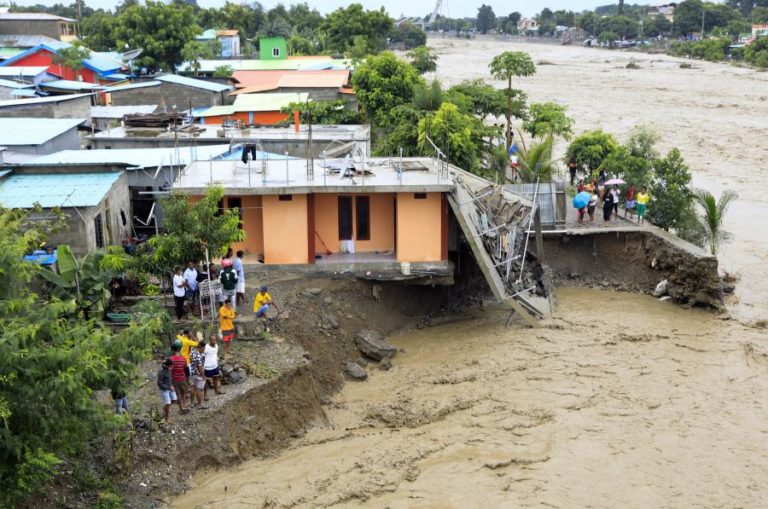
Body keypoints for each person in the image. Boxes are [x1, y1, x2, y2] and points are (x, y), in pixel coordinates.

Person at [168, 344, 190, 414]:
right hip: (182, 379)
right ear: (179, 350)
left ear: (172, 351)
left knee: (178, 394)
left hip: (174, 380)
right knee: (184, 391)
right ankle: (184, 405)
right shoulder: (183, 359)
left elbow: (168, 371)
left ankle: (181, 408)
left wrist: (169, 383)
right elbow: (186, 370)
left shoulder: (170, 359)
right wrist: (188, 380)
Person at [203, 333, 225, 398]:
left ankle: (216, 391)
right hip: (208, 367)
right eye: (212, 340)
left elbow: (215, 355)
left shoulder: (216, 346)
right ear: (209, 340)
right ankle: (205, 395)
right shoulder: (206, 347)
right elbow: (202, 356)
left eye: (215, 340)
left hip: (215, 366)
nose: (214, 341)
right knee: (206, 381)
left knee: (216, 379)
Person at [189, 340, 208, 410]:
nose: (204, 349)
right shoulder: (197, 355)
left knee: (193, 388)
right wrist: (203, 376)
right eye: (204, 348)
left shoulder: (193, 351)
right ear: (201, 347)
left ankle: (192, 403)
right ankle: (200, 404)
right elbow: (199, 367)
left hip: (192, 373)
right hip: (198, 374)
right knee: (199, 389)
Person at [157, 358, 177, 424]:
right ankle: (166, 418)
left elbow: (169, 378)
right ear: (168, 366)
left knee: (174, 399)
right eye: (171, 366)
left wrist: (171, 385)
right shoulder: (161, 372)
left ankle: (165, 407)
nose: (172, 367)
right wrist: (168, 387)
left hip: (170, 387)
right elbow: (159, 383)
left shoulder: (169, 370)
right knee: (168, 403)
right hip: (164, 389)